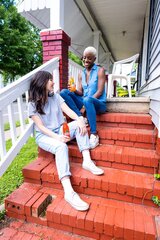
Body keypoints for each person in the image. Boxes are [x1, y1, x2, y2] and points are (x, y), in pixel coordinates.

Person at [28, 70, 104, 212]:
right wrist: (57, 138)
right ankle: (69, 191)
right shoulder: (33, 103)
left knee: (78, 125)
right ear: (43, 82)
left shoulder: (56, 97)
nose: (53, 82)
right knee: (61, 148)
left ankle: (87, 161)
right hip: (44, 136)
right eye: (51, 80)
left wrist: (80, 120)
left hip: (59, 129)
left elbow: (69, 111)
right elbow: (41, 127)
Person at [60, 46, 107, 149]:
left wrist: (84, 107)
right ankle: (80, 118)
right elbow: (81, 93)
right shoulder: (81, 74)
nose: (86, 60)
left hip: (99, 103)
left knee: (87, 100)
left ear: (94, 59)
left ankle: (94, 134)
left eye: (89, 58)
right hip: (85, 101)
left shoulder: (100, 71)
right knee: (64, 92)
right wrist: (74, 90)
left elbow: (99, 92)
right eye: (84, 57)